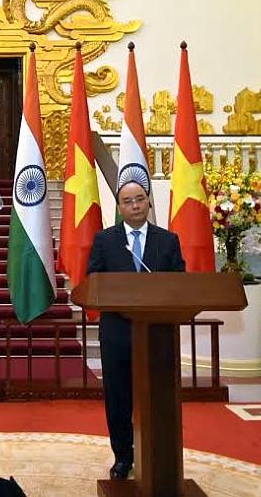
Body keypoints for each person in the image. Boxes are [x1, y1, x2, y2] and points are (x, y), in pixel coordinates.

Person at [86, 177, 185, 480]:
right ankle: (123, 456)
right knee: (118, 398)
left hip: (158, 334)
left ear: (149, 201)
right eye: (127, 201)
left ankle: (157, 454)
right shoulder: (105, 239)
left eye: (139, 199)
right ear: (119, 207)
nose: (135, 205)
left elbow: (180, 281)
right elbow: (93, 279)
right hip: (117, 332)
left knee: (158, 395)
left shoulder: (167, 240)